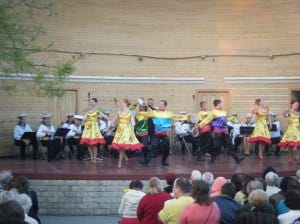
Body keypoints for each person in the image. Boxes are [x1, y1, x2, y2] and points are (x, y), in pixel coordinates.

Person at [139, 100, 187, 166]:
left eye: (161, 104)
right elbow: (146, 114)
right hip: (157, 134)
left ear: (164, 106)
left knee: (167, 149)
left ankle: (163, 162)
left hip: (165, 134)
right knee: (152, 147)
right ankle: (146, 162)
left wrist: (186, 116)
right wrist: (140, 111)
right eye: (159, 104)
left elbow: (177, 117)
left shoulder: (169, 113)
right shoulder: (155, 113)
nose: (160, 105)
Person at [198, 99, 244, 163]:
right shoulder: (213, 112)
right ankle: (213, 156)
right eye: (221, 103)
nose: (222, 104)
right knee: (217, 145)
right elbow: (206, 120)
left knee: (229, 144)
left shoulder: (224, 112)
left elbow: (229, 118)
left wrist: (237, 120)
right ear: (217, 104)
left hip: (225, 130)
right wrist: (199, 125)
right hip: (217, 131)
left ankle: (237, 159)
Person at [108, 99, 143, 168]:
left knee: (122, 147)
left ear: (125, 104)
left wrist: (132, 132)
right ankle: (126, 158)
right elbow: (113, 120)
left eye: (122, 103)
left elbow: (133, 123)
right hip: (119, 131)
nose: (121, 104)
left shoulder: (131, 112)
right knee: (118, 147)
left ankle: (120, 163)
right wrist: (108, 128)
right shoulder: (120, 112)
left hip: (126, 130)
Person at [80, 98, 108, 164]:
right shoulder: (88, 111)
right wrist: (83, 118)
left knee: (94, 144)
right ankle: (91, 157)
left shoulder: (97, 110)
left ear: (96, 103)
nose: (91, 103)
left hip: (94, 128)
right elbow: (84, 119)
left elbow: (105, 117)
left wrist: (102, 117)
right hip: (88, 128)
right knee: (89, 144)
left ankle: (95, 158)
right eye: (91, 102)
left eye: (92, 102)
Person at [278, 100, 300, 164]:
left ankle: (297, 156)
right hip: (292, 128)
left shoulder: (298, 112)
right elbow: (285, 116)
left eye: (298, 105)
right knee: (290, 145)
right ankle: (289, 158)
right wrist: (283, 111)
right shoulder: (290, 112)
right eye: (296, 105)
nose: (297, 106)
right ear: (292, 105)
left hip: (298, 128)